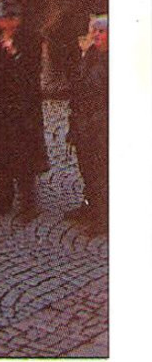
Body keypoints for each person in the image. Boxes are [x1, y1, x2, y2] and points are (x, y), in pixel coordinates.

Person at [0, 0, 48, 222]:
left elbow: (31, 72)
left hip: (22, 108)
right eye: (2, 20)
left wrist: (15, 55)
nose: (7, 25)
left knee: (23, 155)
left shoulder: (29, 39)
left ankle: (28, 202)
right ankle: (4, 197)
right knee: (1, 153)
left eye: (11, 19)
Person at [65, 15, 108, 236]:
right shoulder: (88, 56)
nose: (97, 36)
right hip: (84, 123)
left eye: (102, 32)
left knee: (102, 172)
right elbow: (78, 86)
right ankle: (89, 205)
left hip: (101, 125)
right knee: (87, 169)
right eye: (95, 32)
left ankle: (104, 218)